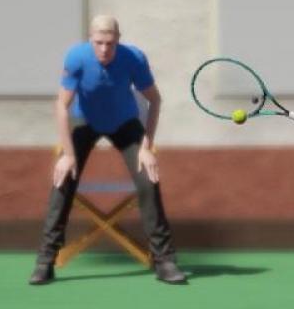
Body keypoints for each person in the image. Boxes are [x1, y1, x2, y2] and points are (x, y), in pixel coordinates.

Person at [30, 15, 187, 285]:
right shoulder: (76, 58)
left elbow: (155, 100)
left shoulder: (134, 58)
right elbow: (61, 105)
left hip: (124, 122)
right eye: (99, 43)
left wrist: (146, 147)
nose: (104, 49)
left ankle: (164, 261)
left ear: (118, 40)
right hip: (84, 121)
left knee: (148, 179)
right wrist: (68, 155)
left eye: (110, 43)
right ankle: (45, 261)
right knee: (62, 179)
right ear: (91, 39)